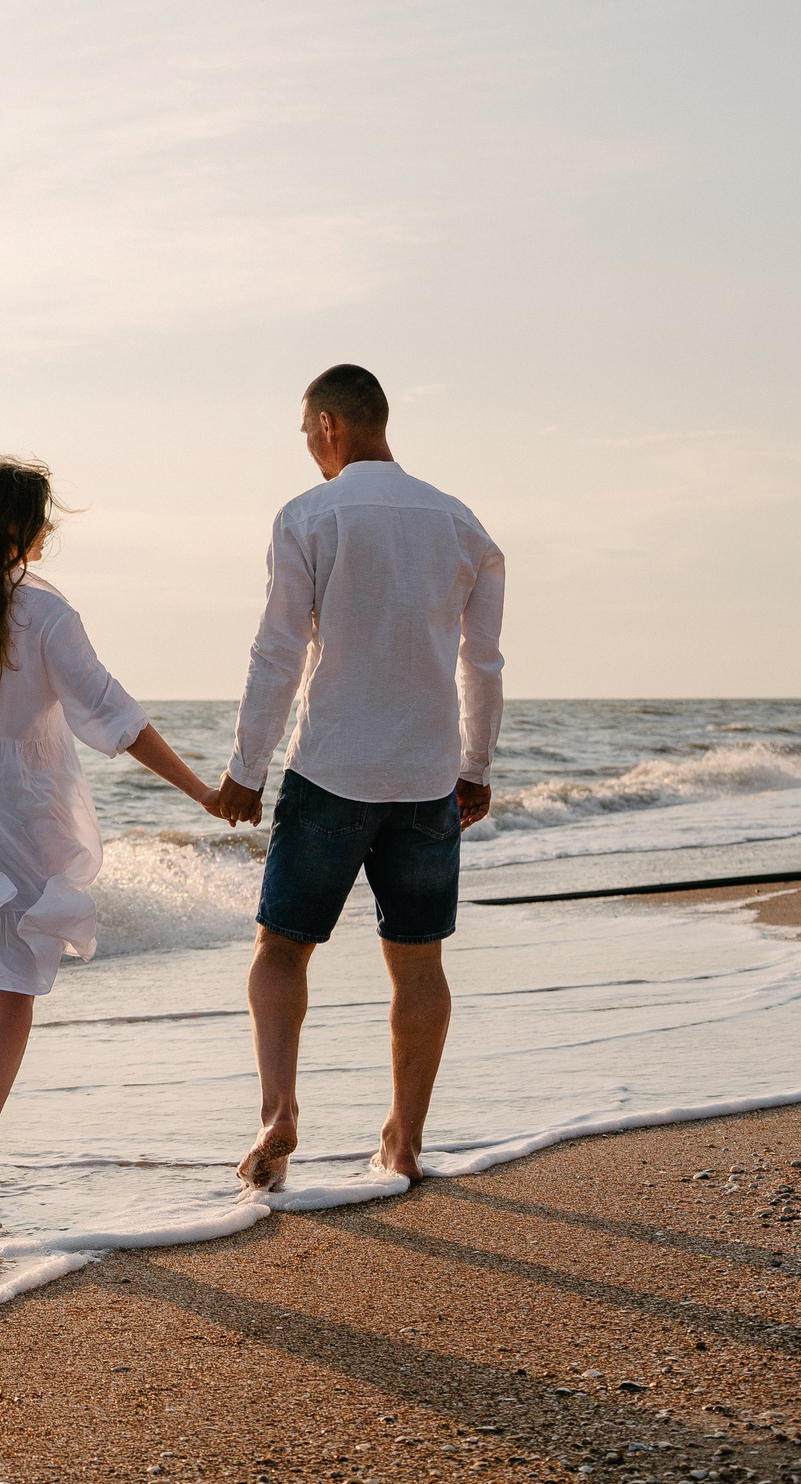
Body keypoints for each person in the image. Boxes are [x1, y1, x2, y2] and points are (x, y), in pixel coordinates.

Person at [205, 365, 505, 1192]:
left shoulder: (310, 516)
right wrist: (475, 767)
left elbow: (277, 652)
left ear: (331, 425)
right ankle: (403, 1143)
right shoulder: (462, 524)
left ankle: (278, 1112)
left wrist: (244, 770)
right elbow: (483, 663)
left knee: (279, 950)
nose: (308, 449)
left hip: (333, 769)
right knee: (418, 964)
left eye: (307, 433)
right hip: (425, 776)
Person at [0, 456, 220, 1213]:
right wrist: (202, 789)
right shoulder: (45, 614)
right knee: (11, 982)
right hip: (22, 814)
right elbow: (118, 717)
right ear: (27, 533)